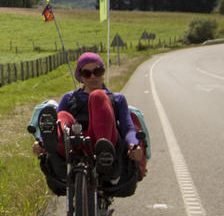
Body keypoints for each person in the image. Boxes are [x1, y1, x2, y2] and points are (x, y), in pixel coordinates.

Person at [32, 52, 146, 191]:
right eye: (87, 73)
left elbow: (128, 128)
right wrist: (41, 142)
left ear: (103, 72)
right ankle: (50, 143)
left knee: (98, 95)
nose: (93, 77)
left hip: (105, 144)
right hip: (74, 146)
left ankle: (104, 153)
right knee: (62, 115)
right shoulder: (69, 98)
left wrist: (133, 145)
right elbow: (59, 122)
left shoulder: (118, 99)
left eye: (97, 71)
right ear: (80, 77)